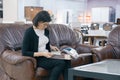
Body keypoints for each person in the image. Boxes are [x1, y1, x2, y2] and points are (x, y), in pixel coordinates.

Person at [22, 10, 71, 80]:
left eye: (47, 24)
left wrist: (51, 47)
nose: (46, 26)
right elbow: (24, 52)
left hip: (48, 54)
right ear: (39, 22)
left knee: (67, 59)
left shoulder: (46, 31)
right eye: (45, 24)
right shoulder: (29, 32)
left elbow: (43, 42)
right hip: (39, 58)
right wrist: (42, 53)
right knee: (60, 63)